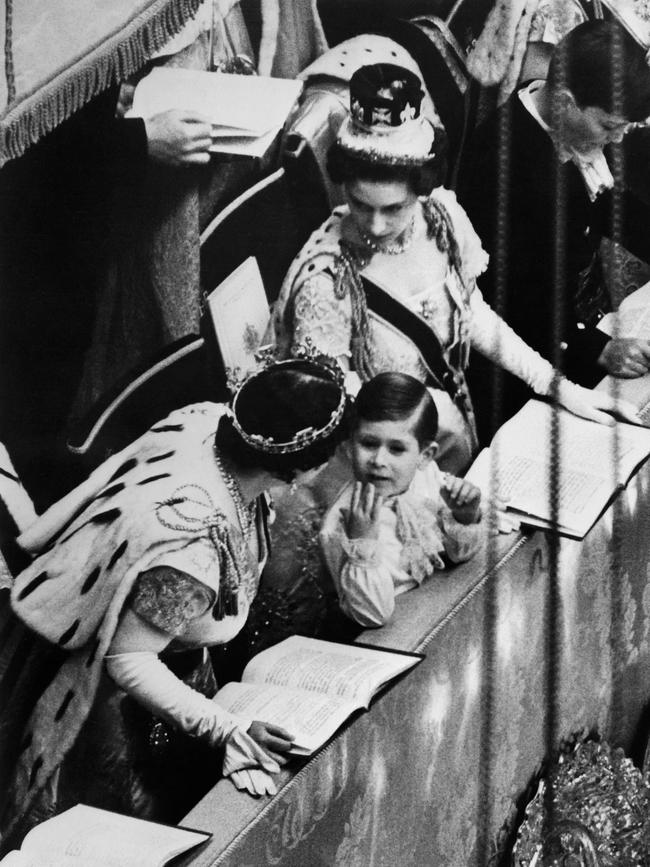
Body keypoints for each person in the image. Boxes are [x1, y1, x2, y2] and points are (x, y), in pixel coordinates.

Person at [0, 356, 350, 846]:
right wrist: (225, 730)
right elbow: (128, 658)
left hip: (175, 669)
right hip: (122, 710)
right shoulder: (193, 547)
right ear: (300, 467)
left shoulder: (209, 420)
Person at [272, 62, 634, 475]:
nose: (375, 226)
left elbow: (472, 314)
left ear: (422, 191)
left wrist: (557, 386)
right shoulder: (323, 281)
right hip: (373, 463)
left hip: (451, 435)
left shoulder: (440, 217)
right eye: (359, 204)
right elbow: (335, 406)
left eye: (394, 209)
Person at [458, 19, 650, 438]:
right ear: (565, 101)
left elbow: (615, 207)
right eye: (609, 126)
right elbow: (506, 298)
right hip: (529, 356)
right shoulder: (500, 165)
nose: (616, 140)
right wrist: (595, 348)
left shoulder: (581, 131)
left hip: (579, 312)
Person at [320, 372, 482, 628]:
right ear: (350, 446)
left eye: (396, 449)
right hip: (386, 636)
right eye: (369, 443)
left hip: (438, 608)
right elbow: (372, 616)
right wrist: (364, 545)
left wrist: (464, 517)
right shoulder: (341, 524)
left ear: (425, 455)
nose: (379, 461)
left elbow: (459, 556)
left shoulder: (427, 477)